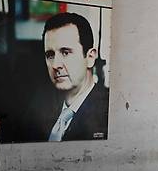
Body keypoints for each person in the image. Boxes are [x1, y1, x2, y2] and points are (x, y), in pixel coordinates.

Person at [42, 12, 109, 142]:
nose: (55, 65)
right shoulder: (41, 112)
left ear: (90, 58)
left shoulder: (109, 112)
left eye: (65, 52)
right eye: (50, 55)